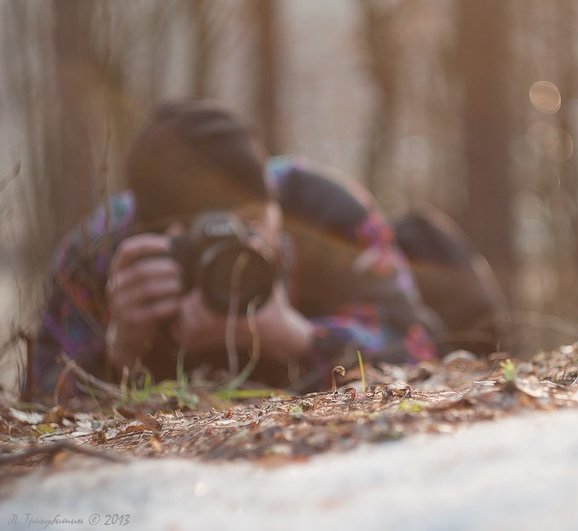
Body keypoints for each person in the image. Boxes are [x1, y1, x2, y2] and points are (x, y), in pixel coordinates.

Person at [30, 101, 506, 398]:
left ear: (275, 202)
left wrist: (297, 337)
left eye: (254, 223)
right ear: (154, 234)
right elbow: (39, 396)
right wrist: (119, 351)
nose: (242, 247)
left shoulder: (326, 212)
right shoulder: (101, 252)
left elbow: (418, 346)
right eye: (204, 238)